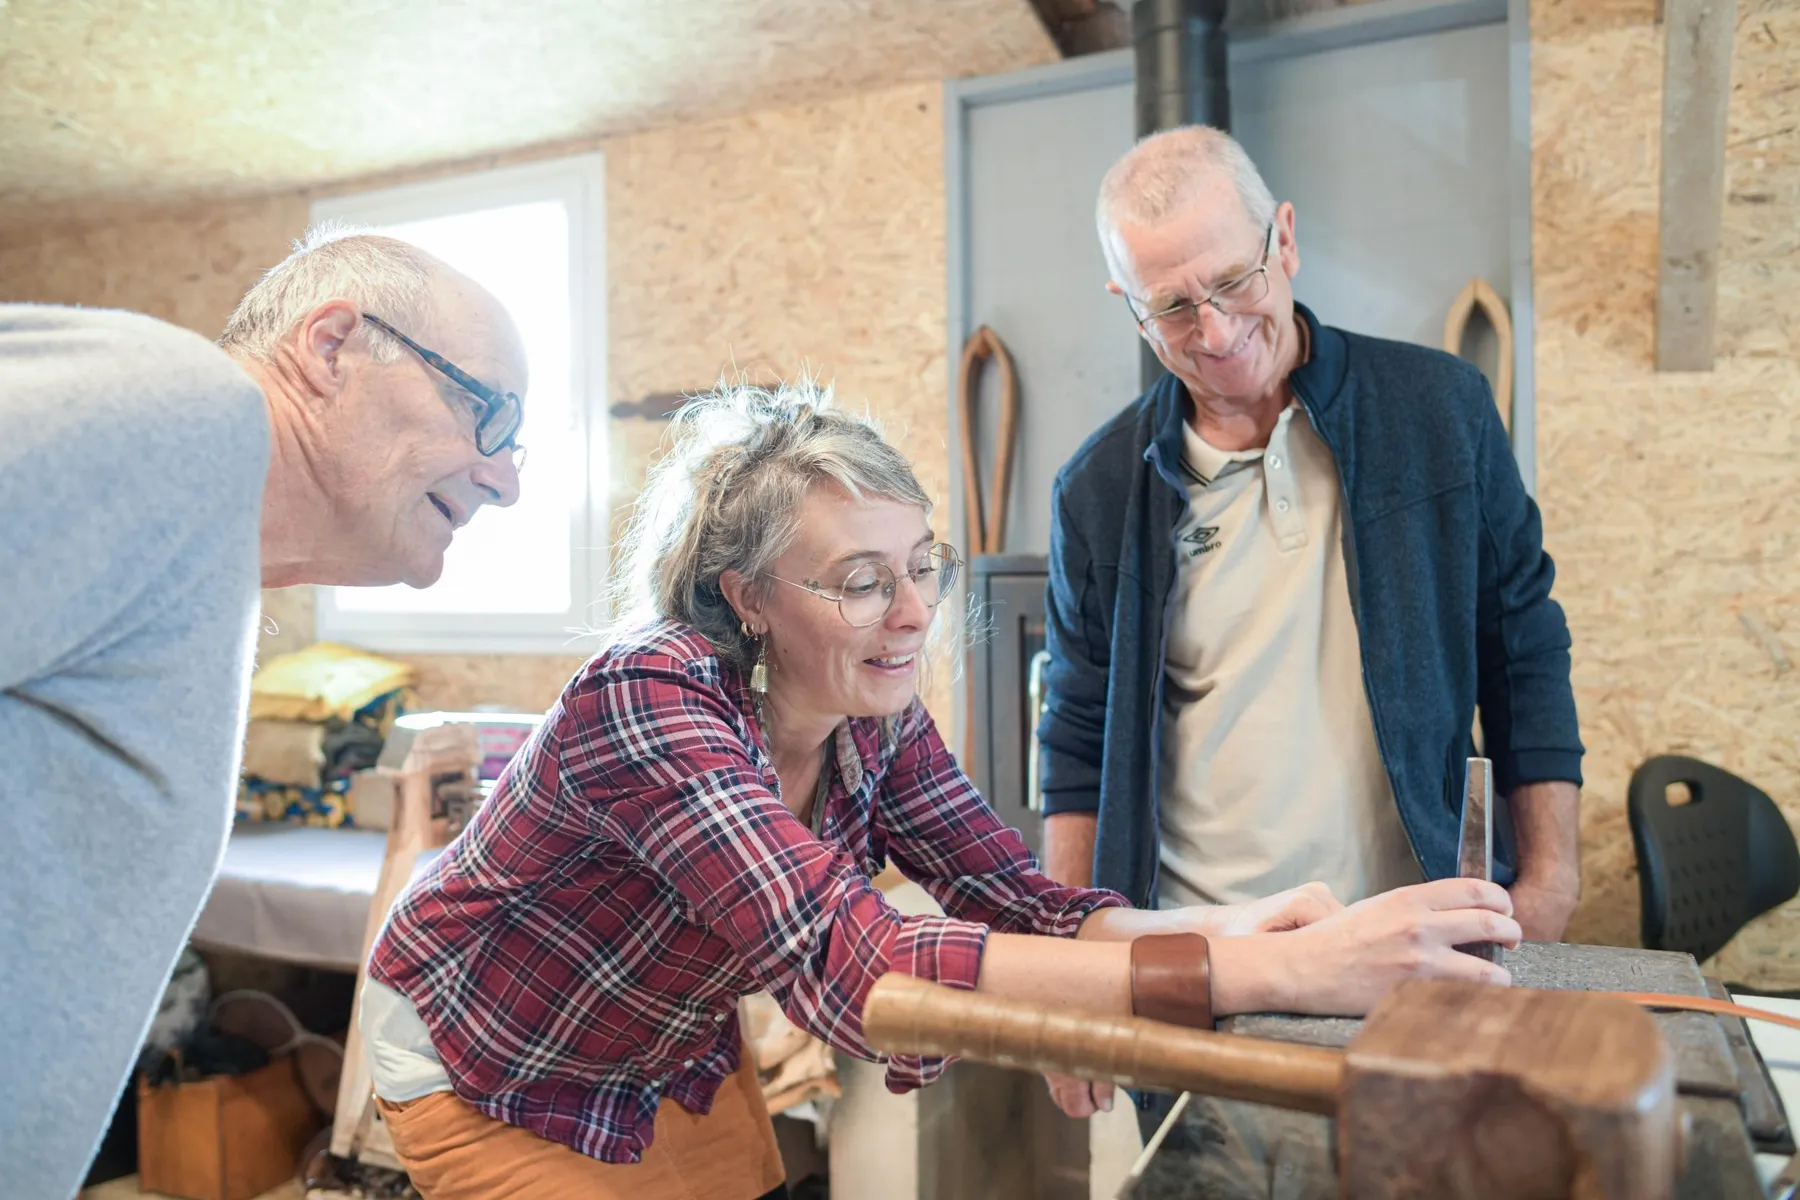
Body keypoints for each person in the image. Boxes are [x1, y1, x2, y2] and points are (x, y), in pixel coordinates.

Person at [360, 382, 1521, 1200]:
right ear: (748, 595)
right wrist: (1274, 972)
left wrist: (1224, 926)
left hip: (662, 1043)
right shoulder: (647, 698)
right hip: (494, 1059)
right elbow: (858, 959)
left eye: (921, 568)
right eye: (863, 581)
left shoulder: (873, 712)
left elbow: (1014, 896)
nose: (913, 614)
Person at [1034, 127, 1583, 1138]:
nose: (1213, 329)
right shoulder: (1096, 491)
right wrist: (1072, 980)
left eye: (1234, 279)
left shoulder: (1440, 412)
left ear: (1284, 239)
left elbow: (1524, 646)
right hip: (1204, 972)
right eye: (1171, 305)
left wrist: (1549, 877)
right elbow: (1073, 749)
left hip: (1416, 956)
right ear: (1129, 306)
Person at [0, 227, 527, 1199]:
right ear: (331, 348)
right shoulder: (182, 413)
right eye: (484, 412)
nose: (507, 477)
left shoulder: (221, 566)